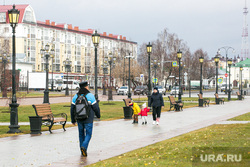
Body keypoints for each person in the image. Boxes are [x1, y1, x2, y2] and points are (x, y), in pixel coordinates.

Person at [70, 81, 100, 157]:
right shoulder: (90, 96)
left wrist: (73, 120)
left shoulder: (75, 96)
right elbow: (96, 107)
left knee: (81, 134)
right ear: (86, 87)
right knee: (88, 134)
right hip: (88, 119)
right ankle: (84, 146)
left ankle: (82, 150)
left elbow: (72, 109)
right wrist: (98, 115)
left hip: (79, 119)